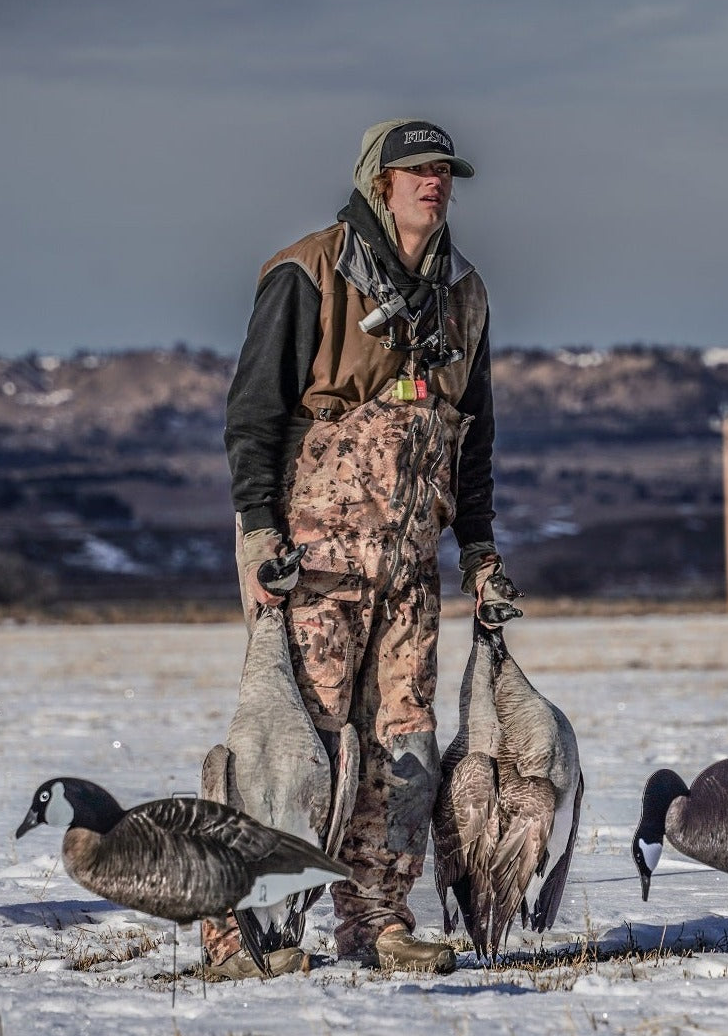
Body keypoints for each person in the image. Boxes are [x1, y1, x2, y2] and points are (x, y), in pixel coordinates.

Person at [208, 118, 515, 977]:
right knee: (296, 748)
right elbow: (255, 416)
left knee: (403, 750)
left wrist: (480, 552)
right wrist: (260, 528)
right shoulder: (307, 272)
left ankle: (377, 919)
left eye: (444, 170)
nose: (435, 182)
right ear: (379, 182)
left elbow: (474, 444)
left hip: (409, 572)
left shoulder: (466, 296)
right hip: (310, 566)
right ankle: (243, 928)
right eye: (416, 169)